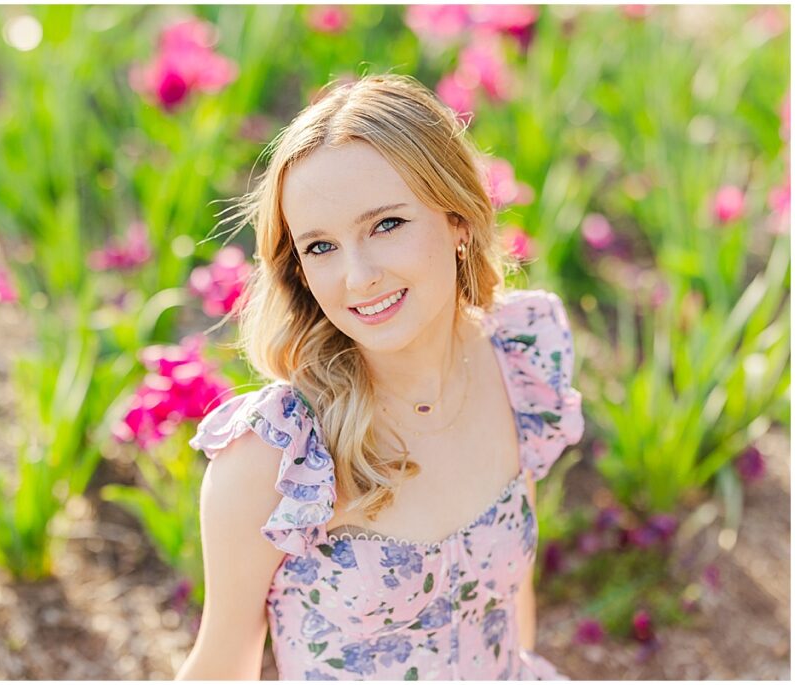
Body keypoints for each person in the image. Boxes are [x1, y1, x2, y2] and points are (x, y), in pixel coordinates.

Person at [175, 73, 584, 680]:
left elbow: (509, 596)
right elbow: (221, 667)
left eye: (386, 225)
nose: (358, 276)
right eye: (320, 247)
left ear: (458, 221)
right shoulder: (274, 457)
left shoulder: (516, 357)